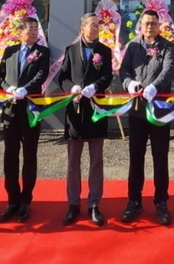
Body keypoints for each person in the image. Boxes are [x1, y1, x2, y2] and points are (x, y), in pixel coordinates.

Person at [119, 9, 174, 225]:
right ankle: (134, 200)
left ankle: (161, 201)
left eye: (153, 23)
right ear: (140, 25)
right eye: (146, 23)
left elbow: (169, 69)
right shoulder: (133, 46)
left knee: (160, 157)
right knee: (136, 157)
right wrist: (129, 83)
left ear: (159, 25)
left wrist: (154, 86)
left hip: (159, 111)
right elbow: (124, 70)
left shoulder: (167, 46)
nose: (150, 27)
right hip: (137, 111)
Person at [56, 13, 113, 227]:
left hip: (96, 110)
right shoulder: (71, 50)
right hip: (75, 111)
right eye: (92, 25)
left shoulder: (104, 51)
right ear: (82, 29)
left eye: (98, 25)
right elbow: (62, 77)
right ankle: (73, 204)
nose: (96, 28)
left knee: (96, 161)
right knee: (73, 162)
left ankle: (94, 204)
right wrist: (71, 88)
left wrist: (95, 87)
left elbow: (107, 75)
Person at [0, 16, 50, 223]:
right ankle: (12, 199)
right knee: (10, 154)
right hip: (10, 109)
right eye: (30, 28)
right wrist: (7, 88)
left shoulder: (42, 52)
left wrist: (25, 89)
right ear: (20, 32)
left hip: (30, 109)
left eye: (36, 28)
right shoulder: (10, 51)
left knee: (29, 154)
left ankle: (26, 199)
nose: (34, 31)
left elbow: (42, 74)